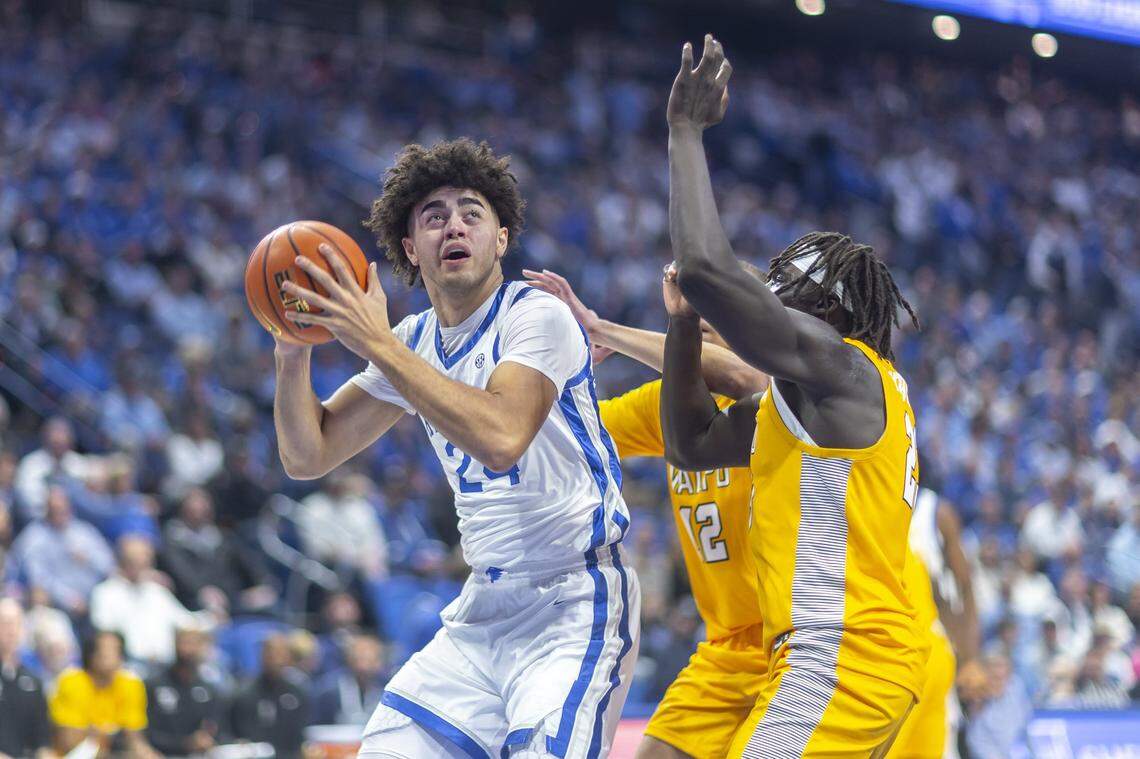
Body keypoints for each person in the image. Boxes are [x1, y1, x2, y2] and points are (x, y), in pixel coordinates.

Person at [272, 138, 638, 757]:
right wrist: (292, 348)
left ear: (500, 239)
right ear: (411, 249)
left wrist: (378, 344)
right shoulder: (415, 339)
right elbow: (308, 456)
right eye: (434, 216)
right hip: (482, 610)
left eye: (472, 212)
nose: (454, 225)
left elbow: (501, 438)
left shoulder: (536, 315)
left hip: (574, 603)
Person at [662, 36, 926, 757]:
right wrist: (684, 323)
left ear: (833, 310)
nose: (772, 292)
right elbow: (692, 442)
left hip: (843, 654)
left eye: (790, 286)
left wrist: (685, 131)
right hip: (836, 653)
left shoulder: (842, 367)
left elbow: (709, 268)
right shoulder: (805, 399)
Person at [524, 267, 769, 759]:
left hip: (802, 639)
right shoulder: (670, 406)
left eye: (713, 306)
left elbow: (743, 375)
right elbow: (565, 436)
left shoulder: (782, 393)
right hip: (728, 648)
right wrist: (552, 365)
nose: (697, 316)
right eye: (689, 306)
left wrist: (601, 327)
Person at [886, 488, 980, 759]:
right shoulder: (861, 500)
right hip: (895, 653)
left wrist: (970, 658)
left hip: (928, 647)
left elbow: (962, 589)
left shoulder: (934, 512)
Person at [89, 534, 210, 667]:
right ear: (123, 562)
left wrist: (211, 618)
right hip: (129, 664)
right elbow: (104, 628)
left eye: (146, 563)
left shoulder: (156, 591)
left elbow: (185, 621)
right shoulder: (105, 592)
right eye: (135, 562)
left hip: (166, 666)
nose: (143, 568)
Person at [6, 485, 114, 618]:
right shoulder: (34, 538)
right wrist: (68, 599)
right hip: (57, 606)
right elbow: (39, 579)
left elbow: (108, 565)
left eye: (63, 509)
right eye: (54, 510)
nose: (60, 513)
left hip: (94, 601)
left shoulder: (84, 532)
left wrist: (89, 559)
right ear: (46, 510)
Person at [49, 630, 158, 758]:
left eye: (115, 650)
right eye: (104, 650)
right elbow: (68, 741)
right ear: (90, 654)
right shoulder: (72, 681)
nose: (109, 655)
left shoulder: (131, 684)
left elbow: (134, 736)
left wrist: (143, 752)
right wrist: (111, 739)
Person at [145, 625, 227, 756]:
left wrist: (207, 740)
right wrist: (185, 743)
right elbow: (147, 733)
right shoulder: (153, 685)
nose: (188, 649)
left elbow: (217, 729)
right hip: (161, 754)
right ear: (175, 644)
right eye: (184, 642)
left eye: (195, 643)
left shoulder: (209, 690)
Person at [229, 633, 310, 759]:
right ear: (261, 656)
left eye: (281, 653)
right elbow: (237, 735)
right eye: (270, 653)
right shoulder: (244, 693)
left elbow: (300, 736)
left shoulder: (298, 693)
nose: (275, 658)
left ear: (289, 657)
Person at [0, 598, 53, 759]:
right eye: (4, 623)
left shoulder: (33, 682)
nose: (11, 630)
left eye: (16, 623)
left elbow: (42, 741)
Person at [311, 634, 388, 726]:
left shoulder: (386, 689)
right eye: (359, 659)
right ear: (349, 660)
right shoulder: (329, 690)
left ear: (379, 663)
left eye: (370, 661)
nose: (364, 667)